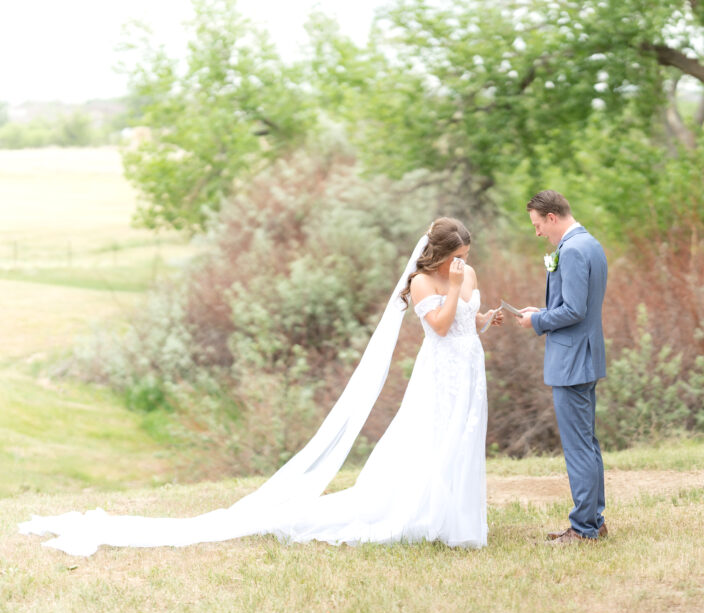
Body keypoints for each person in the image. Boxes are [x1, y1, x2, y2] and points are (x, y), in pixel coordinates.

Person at [19, 218, 503, 555]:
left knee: (463, 440)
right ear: (438, 254)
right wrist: (455, 291)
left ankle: (458, 520)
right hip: (437, 373)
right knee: (430, 441)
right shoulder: (422, 281)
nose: (463, 263)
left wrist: (484, 317)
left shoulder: (466, 274)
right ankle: (425, 516)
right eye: (456, 257)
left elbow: (462, 323)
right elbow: (438, 326)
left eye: (466, 257)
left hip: (468, 368)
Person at [515, 191, 608, 543]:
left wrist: (536, 321)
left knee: (579, 446)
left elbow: (573, 311)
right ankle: (594, 521)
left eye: (538, 225)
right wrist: (541, 312)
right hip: (585, 354)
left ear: (552, 218)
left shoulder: (571, 250)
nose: (537, 233)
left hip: (571, 360)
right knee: (588, 443)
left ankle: (584, 528)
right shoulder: (591, 244)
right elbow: (576, 305)